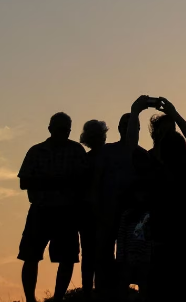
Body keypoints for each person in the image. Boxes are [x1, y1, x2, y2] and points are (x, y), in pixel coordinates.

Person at [127, 96, 186, 301]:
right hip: (175, 236)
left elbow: (130, 149)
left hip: (172, 236)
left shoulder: (153, 164)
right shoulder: (182, 163)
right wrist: (175, 113)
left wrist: (135, 112)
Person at [17, 112, 89, 302]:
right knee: (30, 256)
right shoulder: (36, 151)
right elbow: (23, 182)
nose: (63, 133)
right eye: (59, 129)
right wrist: (54, 182)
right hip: (40, 210)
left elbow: (85, 181)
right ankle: (30, 299)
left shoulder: (76, 151)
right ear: (50, 129)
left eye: (66, 130)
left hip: (66, 212)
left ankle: (58, 299)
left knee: (67, 258)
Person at [95, 110, 148, 294]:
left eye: (133, 126)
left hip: (134, 216)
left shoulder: (143, 155)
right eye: (125, 125)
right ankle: (102, 292)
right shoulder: (107, 151)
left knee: (134, 256)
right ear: (119, 128)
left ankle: (126, 291)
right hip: (108, 212)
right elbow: (97, 180)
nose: (129, 129)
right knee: (103, 255)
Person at [78, 120, 107, 298]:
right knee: (90, 254)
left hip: (105, 211)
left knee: (102, 253)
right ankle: (89, 291)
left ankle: (101, 291)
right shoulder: (85, 160)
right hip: (89, 212)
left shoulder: (107, 157)